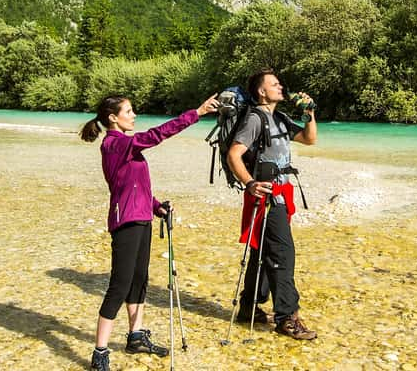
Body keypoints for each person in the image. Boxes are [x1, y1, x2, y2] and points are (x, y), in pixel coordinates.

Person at [80, 93, 219, 371]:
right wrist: (197, 112)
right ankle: (100, 353)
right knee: (119, 285)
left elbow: (133, 187)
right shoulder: (114, 144)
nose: (134, 116)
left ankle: (136, 336)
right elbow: (158, 134)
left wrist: (157, 207)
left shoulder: (127, 147)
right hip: (126, 223)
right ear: (113, 118)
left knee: (139, 280)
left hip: (142, 218)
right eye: (129, 111)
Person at [227, 69, 319, 340]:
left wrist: (310, 113)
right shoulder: (256, 119)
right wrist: (250, 183)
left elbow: (309, 139)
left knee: (262, 251)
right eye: (274, 84)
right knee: (282, 254)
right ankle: (287, 318)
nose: (281, 87)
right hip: (265, 197)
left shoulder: (278, 117)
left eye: (279, 84)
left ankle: (249, 307)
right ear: (261, 91)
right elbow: (234, 154)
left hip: (280, 194)